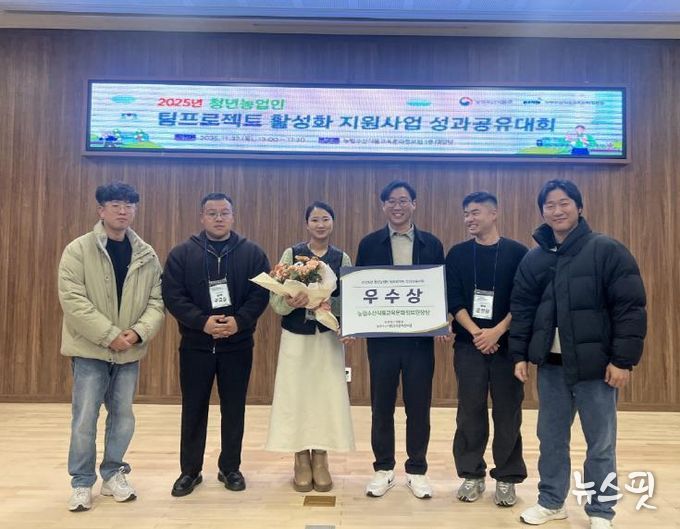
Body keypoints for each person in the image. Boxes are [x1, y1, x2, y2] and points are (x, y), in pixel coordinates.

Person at [510, 180, 646, 528]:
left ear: (579, 207)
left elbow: (629, 308)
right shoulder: (535, 258)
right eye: (550, 205)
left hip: (596, 369)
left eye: (564, 203)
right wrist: (519, 354)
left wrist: (622, 360)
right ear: (542, 212)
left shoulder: (606, 250)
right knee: (551, 440)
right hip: (552, 367)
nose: (557, 211)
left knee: (600, 444)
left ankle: (601, 510)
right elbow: (522, 309)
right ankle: (551, 501)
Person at [58, 182, 164, 512]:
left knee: (122, 417)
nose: (123, 211)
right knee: (84, 418)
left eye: (129, 205)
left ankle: (113, 473)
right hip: (89, 350)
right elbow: (73, 301)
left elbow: (157, 301)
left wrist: (137, 333)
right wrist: (109, 335)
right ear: (101, 210)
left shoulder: (146, 254)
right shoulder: (78, 249)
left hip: (129, 351)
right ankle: (81, 482)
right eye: (116, 204)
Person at [162, 192, 270, 497]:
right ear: (202, 217)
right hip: (195, 345)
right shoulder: (182, 253)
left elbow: (261, 293)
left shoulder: (253, 253)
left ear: (233, 217)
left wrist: (240, 321)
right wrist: (201, 322)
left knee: (234, 409)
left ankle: (230, 467)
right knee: (193, 408)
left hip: (238, 345)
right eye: (212, 213)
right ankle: (190, 471)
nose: (219, 218)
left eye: (224, 213)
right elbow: (173, 295)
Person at [356, 180, 445, 499]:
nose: (398, 206)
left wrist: (441, 318)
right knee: (381, 405)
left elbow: (440, 286)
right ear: (383, 206)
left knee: (419, 406)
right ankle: (383, 469)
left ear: (414, 204)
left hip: (419, 340)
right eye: (391, 201)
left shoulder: (431, 243)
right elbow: (360, 288)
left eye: (404, 200)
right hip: (382, 339)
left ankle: (417, 470)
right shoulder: (369, 244)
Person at [445, 191, 528, 506]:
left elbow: (523, 300)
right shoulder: (457, 254)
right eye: (466, 213)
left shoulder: (518, 253)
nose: (469, 218)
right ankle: (471, 473)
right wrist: (478, 333)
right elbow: (454, 300)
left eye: (475, 212)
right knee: (470, 411)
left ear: (494, 214)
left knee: (508, 412)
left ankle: (507, 477)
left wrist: (497, 332)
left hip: (507, 347)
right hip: (469, 345)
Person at [266, 201, 355, 492]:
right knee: (296, 395)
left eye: (325, 219)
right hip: (296, 337)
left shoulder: (342, 257)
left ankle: (321, 458)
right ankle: (301, 458)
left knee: (325, 397)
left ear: (333, 223)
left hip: (327, 338)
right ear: (307, 224)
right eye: (315, 219)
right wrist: (291, 300)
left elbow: (351, 300)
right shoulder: (292, 254)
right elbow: (276, 300)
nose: (320, 224)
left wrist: (330, 304)